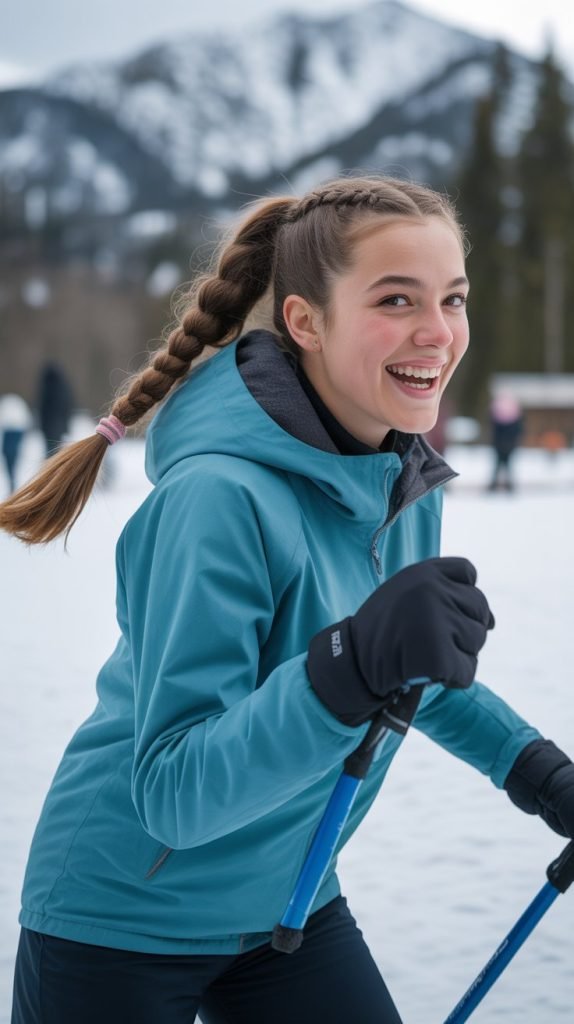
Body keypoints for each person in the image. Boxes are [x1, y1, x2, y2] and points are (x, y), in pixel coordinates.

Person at [2, 176, 574, 1024]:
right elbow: (175, 792)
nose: (437, 332)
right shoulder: (215, 500)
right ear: (305, 321)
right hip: (119, 918)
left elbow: (403, 667)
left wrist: (538, 772)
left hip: (287, 905)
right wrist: (346, 668)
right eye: (396, 299)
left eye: (453, 298)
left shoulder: (403, 479)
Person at [36, 360, 74, 458]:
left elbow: (42, 409)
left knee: (50, 451)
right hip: (59, 427)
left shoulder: (47, 387)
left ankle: (51, 470)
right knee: (56, 451)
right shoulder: (63, 388)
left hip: (48, 428)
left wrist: (41, 425)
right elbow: (67, 408)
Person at [488, 389, 523, 492]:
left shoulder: (496, 413)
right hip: (506, 445)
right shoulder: (515, 415)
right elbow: (518, 431)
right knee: (505, 466)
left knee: (500, 466)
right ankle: (506, 486)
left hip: (501, 445)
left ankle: (497, 485)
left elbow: (493, 431)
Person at [0, 392, 33, 494]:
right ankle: (13, 482)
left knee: (10, 457)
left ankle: (12, 482)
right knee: (12, 457)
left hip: (11, 432)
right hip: (16, 431)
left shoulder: (8, 403)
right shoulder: (17, 404)